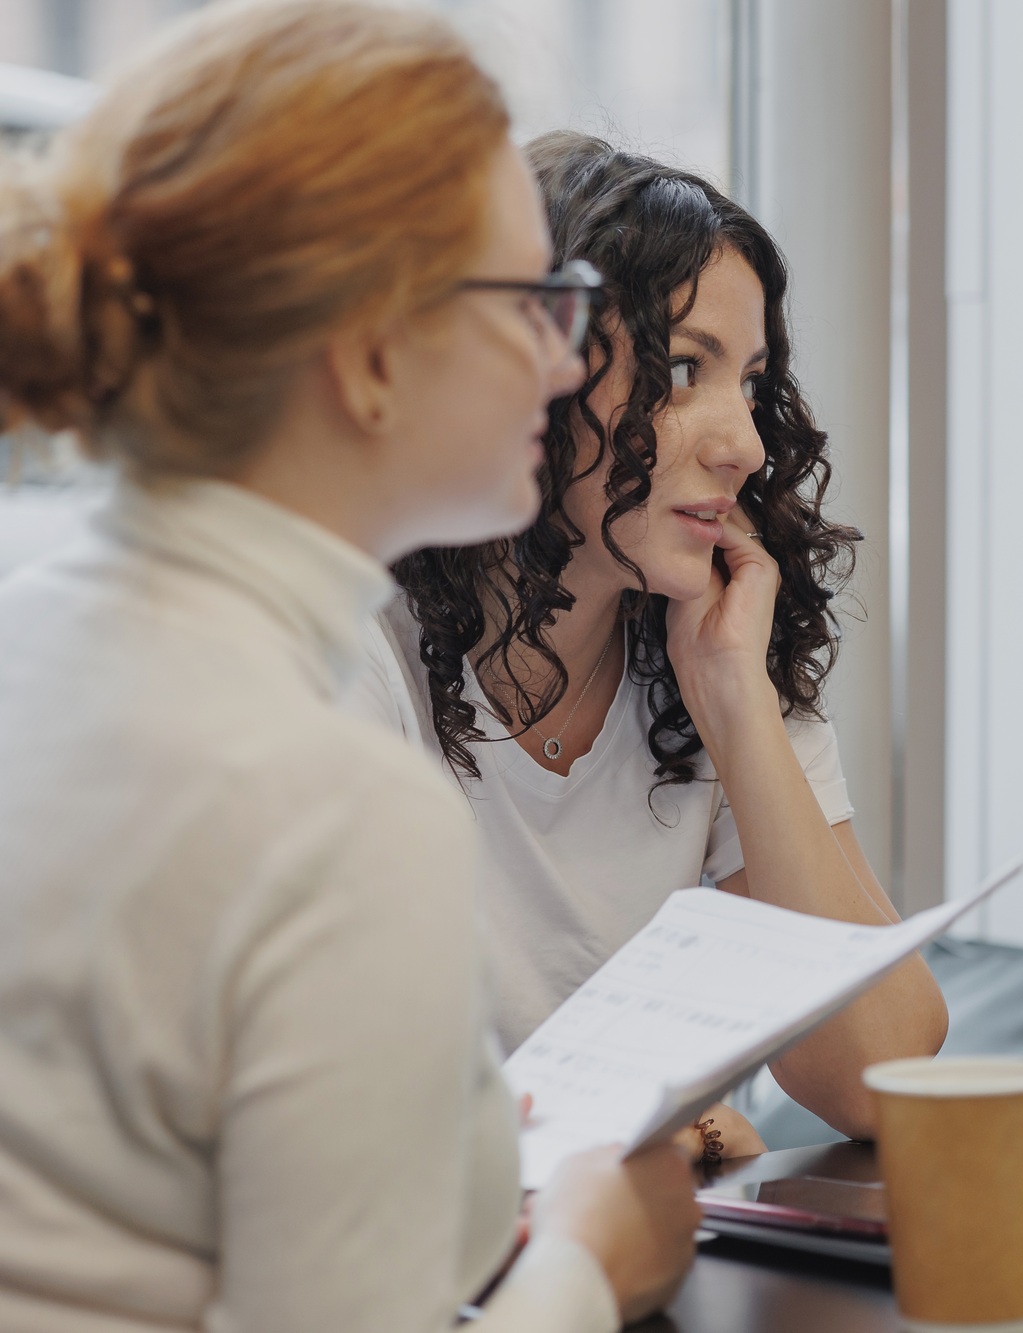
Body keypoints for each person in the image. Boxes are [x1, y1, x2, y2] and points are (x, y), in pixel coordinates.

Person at [0, 5, 699, 1329]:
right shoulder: (333, 808)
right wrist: (588, 1262)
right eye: (538, 302)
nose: (570, 363)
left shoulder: (30, 649)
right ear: (372, 355)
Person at [347, 131, 947, 1149]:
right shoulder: (357, 642)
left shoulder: (714, 634)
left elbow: (878, 1076)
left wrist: (734, 702)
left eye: (750, 383)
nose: (744, 444)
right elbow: (340, 1102)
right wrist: (647, 1129)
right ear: (530, 372)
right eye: (680, 368)